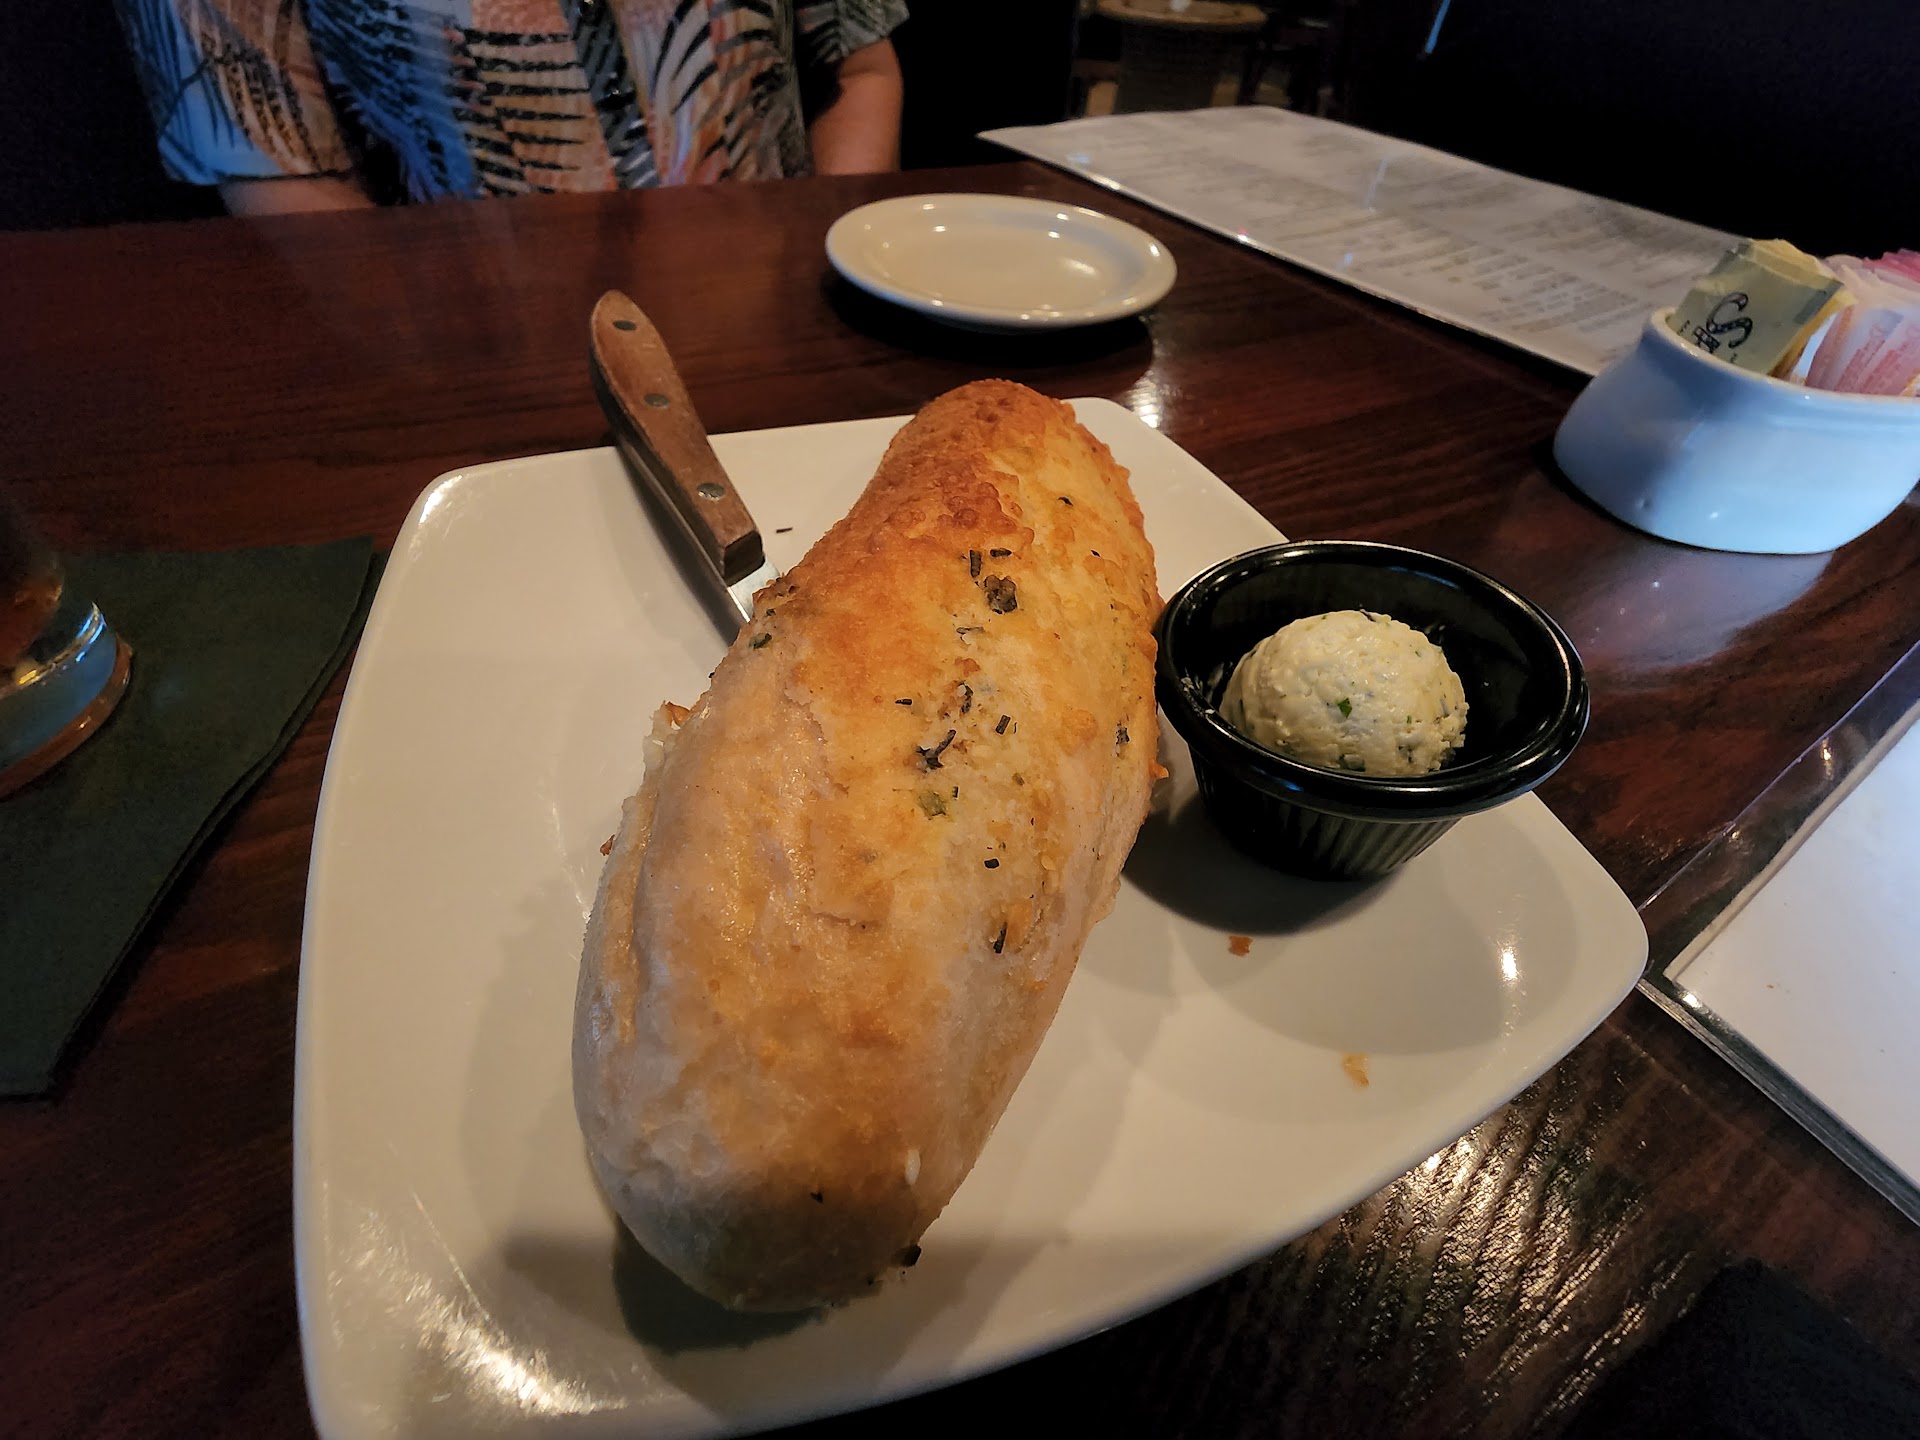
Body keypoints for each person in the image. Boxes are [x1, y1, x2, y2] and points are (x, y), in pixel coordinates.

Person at [115, 0, 907, 216]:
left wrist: (841, 265)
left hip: (790, 321)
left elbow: (858, 67)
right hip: (472, 359)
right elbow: (275, 170)